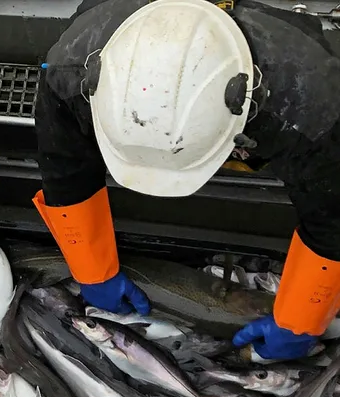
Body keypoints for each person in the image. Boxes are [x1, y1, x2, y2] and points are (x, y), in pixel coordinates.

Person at [34, 0, 340, 360]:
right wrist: (91, 271)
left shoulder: (310, 105)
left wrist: (301, 319)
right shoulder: (71, 70)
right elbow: (64, 172)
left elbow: (332, 219)